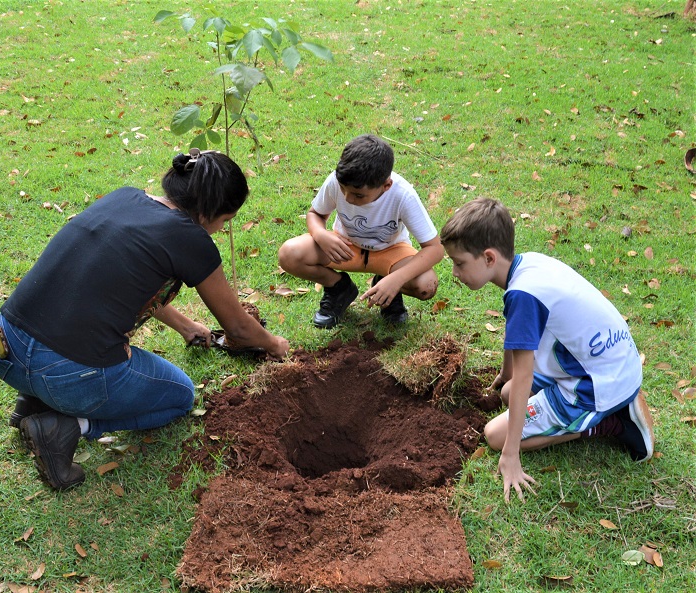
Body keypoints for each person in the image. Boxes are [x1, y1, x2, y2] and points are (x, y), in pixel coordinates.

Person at [0, 149, 289, 491]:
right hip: (68, 374)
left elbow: (119, 279)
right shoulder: (191, 238)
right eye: (225, 222)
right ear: (209, 212)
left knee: (58, 350)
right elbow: (239, 328)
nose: (220, 231)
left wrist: (186, 326)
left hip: (2, 346)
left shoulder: (124, 197)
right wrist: (275, 344)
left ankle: (32, 401)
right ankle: (67, 426)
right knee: (180, 396)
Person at [439, 197, 654, 502]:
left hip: (595, 383)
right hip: (608, 362)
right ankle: (613, 400)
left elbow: (525, 376)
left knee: (495, 435)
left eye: (459, 263)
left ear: (488, 258)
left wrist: (511, 454)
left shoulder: (523, 295)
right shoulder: (527, 264)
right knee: (506, 393)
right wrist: (504, 374)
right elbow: (518, 339)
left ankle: (609, 422)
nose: (455, 273)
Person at [278, 134, 443, 328]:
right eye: (343, 189)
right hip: (344, 247)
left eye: (358, 195)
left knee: (426, 284)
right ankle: (338, 288)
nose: (348, 198)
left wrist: (396, 279)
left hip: (391, 251)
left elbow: (435, 249)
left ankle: (387, 288)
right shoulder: (336, 181)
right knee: (289, 254)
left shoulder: (403, 195)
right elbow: (315, 214)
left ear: (386, 185)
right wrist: (320, 235)